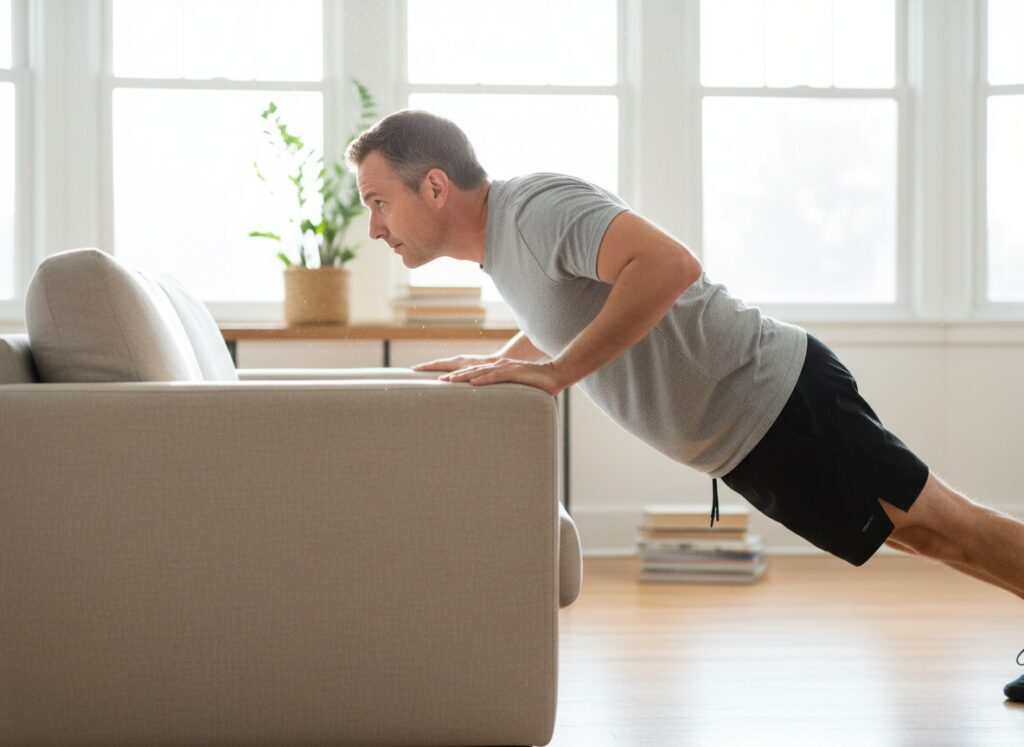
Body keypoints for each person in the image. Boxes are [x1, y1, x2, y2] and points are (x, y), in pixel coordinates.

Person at [346, 108, 1024, 701]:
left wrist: (556, 373)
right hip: (752, 437)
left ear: (434, 186)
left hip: (782, 400)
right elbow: (569, 311)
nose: (375, 228)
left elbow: (670, 266)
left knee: (944, 524)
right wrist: (510, 361)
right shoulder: (504, 250)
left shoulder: (536, 209)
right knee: (921, 534)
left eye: (378, 201)